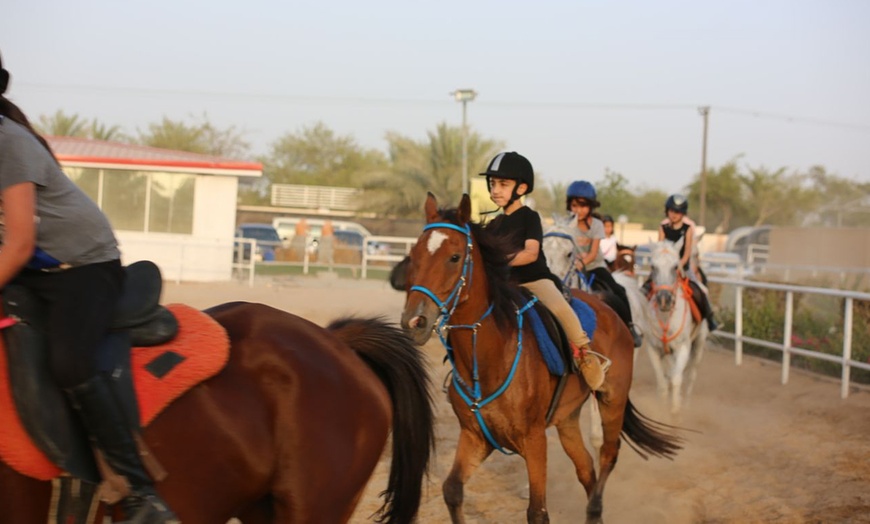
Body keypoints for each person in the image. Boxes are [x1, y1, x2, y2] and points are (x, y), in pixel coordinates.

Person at [0, 54, 179, 523]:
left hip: (84, 267)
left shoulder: (7, 143)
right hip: (37, 271)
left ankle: (141, 494)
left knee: (69, 362)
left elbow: (18, 244)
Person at [481, 152, 605, 390]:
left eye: (503, 184)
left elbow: (530, 254)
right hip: (504, 285)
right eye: (493, 184)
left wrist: (497, 260)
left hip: (534, 280)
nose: (495, 190)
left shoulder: (529, 217)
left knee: (560, 307)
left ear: (522, 187)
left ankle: (585, 355)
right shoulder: (493, 224)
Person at [565, 181, 643, 347]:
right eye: (574, 205)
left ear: (591, 206)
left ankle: (630, 327)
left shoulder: (597, 225)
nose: (578, 210)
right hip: (570, 267)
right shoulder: (565, 225)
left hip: (594, 266)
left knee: (618, 290)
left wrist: (581, 263)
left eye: (583, 206)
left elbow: (593, 253)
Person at [657, 193, 718, 331]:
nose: (674, 215)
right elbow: (660, 248)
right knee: (647, 287)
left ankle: (709, 318)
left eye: (678, 212)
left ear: (683, 213)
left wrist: (678, 266)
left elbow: (687, 253)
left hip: (682, 267)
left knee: (701, 289)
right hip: (665, 267)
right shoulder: (663, 227)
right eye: (672, 211)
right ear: (667, 210)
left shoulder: (688, 229)